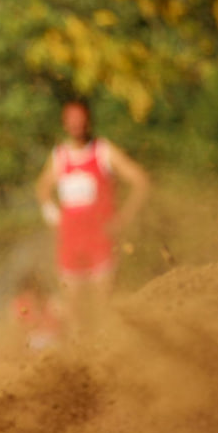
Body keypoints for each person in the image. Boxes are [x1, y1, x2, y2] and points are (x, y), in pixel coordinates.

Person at [34, 100, 150, 332]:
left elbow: (141, 181)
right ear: (64, 124)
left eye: (81, 120)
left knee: (104, 304)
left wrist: (124, 217)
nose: (77, 125)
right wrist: (50, 212)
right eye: (72, 121)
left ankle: (108, 357)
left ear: (89, 121)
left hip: (100, 239)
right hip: (70, 241)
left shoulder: (102, 151)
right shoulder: (60, 156)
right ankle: (79, 358)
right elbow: (42, 187)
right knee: (73, 307)